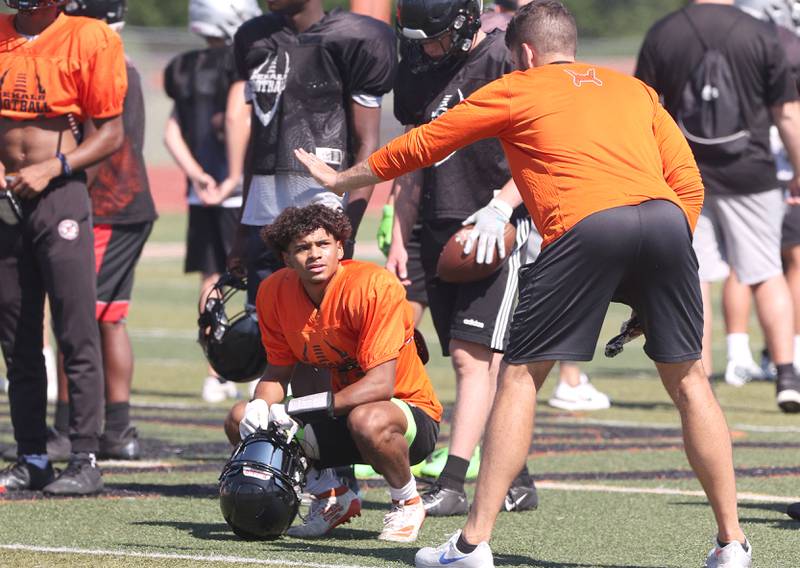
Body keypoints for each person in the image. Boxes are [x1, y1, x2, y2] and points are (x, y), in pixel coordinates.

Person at [296, 2, 752, 567]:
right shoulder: (636, 90)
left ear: (526, 53)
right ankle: (732, 544)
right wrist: (653, 268)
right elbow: (687, 183)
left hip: (586, 226)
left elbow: (426, 144)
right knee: (690, 383)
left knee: (519, 377)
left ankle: (471, 545)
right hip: (665, 222)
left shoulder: (520, 85)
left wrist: (343, 177)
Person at [387, 0, 607, 518]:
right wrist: (399, 233)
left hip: (496, 227)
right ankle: (517, 477)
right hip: (435, 230)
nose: (426, 49)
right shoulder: (417, 70)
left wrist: (503, 206)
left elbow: (547, 144)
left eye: (435, 38)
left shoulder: (501, 61)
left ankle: (453, 481)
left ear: (464, 24)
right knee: (467, 359)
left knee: (473, 358)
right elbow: (412, 156)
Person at [227, 204, 442, 543]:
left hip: (402, 415)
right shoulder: (273, 291)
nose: (314, 254)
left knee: (367, 419)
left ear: (340, 248)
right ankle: (331, 495)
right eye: (302, 247)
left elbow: (380, 385)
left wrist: (296, 409)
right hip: (335, 412)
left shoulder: (373, 286)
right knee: (240, 418)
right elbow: (278, 371)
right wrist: (259, 406)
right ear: (286, 258)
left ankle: (407, 502)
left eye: (322, 244)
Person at [636, 0, 800, 414]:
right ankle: (786, 375)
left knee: (698, 278)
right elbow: (786, 113)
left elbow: (643, 112)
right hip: (754, 172)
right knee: (766, 271)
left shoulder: (663, 32)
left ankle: (701, 382)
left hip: (685, 175)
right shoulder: (760, 32)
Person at [0, 0, 126, 495]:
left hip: (58, 195)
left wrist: (54, 168)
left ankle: (84, 457)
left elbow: (111, 131)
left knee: (76, 328)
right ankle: (32, 454)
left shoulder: (90, 37)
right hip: (7, 197)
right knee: (17, 333)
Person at [164, 0, 262, 404]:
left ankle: (214, 371)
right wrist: (233, 178)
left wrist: (197, 176)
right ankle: (255, 365)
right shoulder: (241, 63)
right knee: (257, 277)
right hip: (237, 191)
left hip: (201, 191)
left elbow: (171, 133)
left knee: (211, 279)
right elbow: (237, 117)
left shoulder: (185, 67)